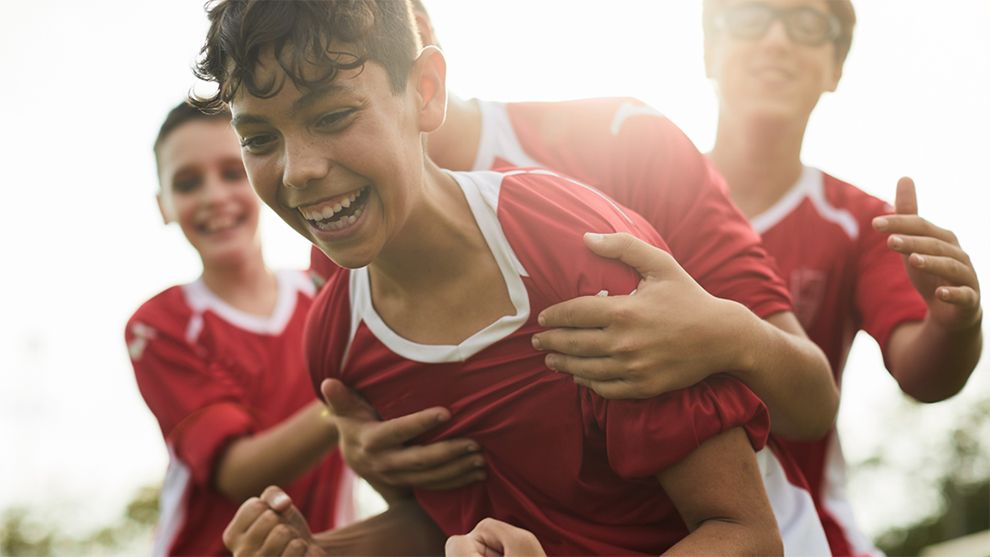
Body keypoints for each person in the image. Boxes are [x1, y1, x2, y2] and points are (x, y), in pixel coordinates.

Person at [194, 0, 787, 554]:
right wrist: (323, 549)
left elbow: (745, 533)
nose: (298, 171)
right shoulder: (337, 339)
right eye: (259, 138)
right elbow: (443, 520)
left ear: (425, 91)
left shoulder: (572, 245)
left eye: (333, 115)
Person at [124, 102, 355, 556]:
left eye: (232, 172)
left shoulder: (325, 291)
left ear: (265, 174)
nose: (213, 196)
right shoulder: (158, 326)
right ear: (163, 206)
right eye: (187, 183)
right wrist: (350, 398)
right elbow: (239, 474)